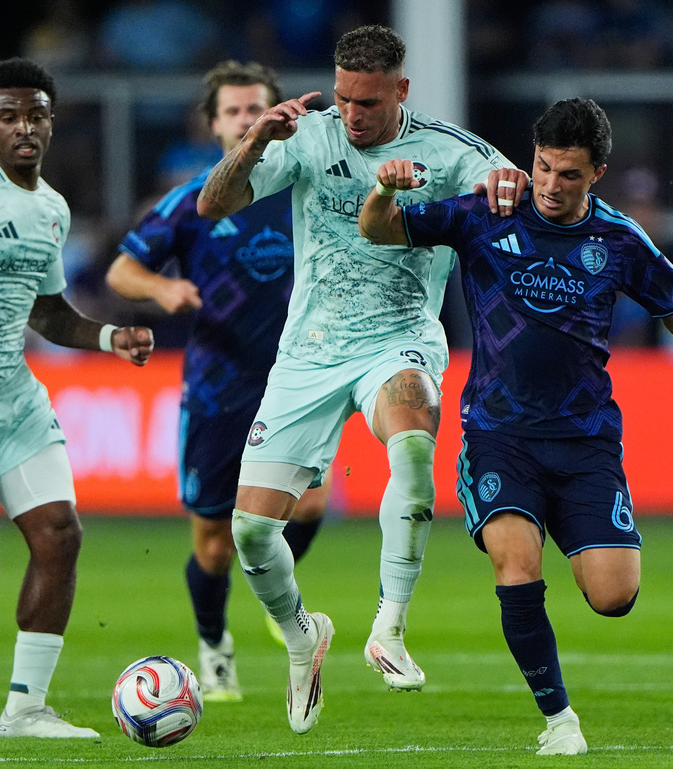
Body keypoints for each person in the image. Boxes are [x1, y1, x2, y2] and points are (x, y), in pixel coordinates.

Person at [359, 97, 673, 754]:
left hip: (586, 439)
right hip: (499, 432)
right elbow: (380, 229)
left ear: (598, 171)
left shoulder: (620, 240)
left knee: (613, 594)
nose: (550, 184)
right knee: (517, 563)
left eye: (569, 174)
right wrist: (382, 189)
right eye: (542, 167)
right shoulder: (487, 212)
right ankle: (559, 720)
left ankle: (567, 530)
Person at [196, 24, 525, 734]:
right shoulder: (309, 137)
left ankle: (390, 627)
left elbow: (508, 183)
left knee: (411, 445)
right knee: (252, 532)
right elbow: (211, 205)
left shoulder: (446, 150)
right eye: (343, 98)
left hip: (398, 339)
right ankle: (301, 634)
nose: (352, 114)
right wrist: (255, 139)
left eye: (368, 102)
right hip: (309, 352)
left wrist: (508, 179)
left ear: (400, 91)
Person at [0, 57, 155, 738]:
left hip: (13, 391)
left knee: (60, 533)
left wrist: (108, 336)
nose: (24, 127)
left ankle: (26, 708)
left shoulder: (50, 207)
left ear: (50, 121)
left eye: (36, 114)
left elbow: (48, 313)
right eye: (9, 115)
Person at [105, 59, 330, 702]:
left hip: (298, 379)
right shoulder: (191, 199)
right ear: (212, 124)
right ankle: (214, 645)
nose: (243, 121)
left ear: (280, 114)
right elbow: (122, 272)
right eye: (232, 111)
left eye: (255, 108)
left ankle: (274, 590)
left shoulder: (304, 189)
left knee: (310, 503)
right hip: (216, 387)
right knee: (212, 542)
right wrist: (161, 286)